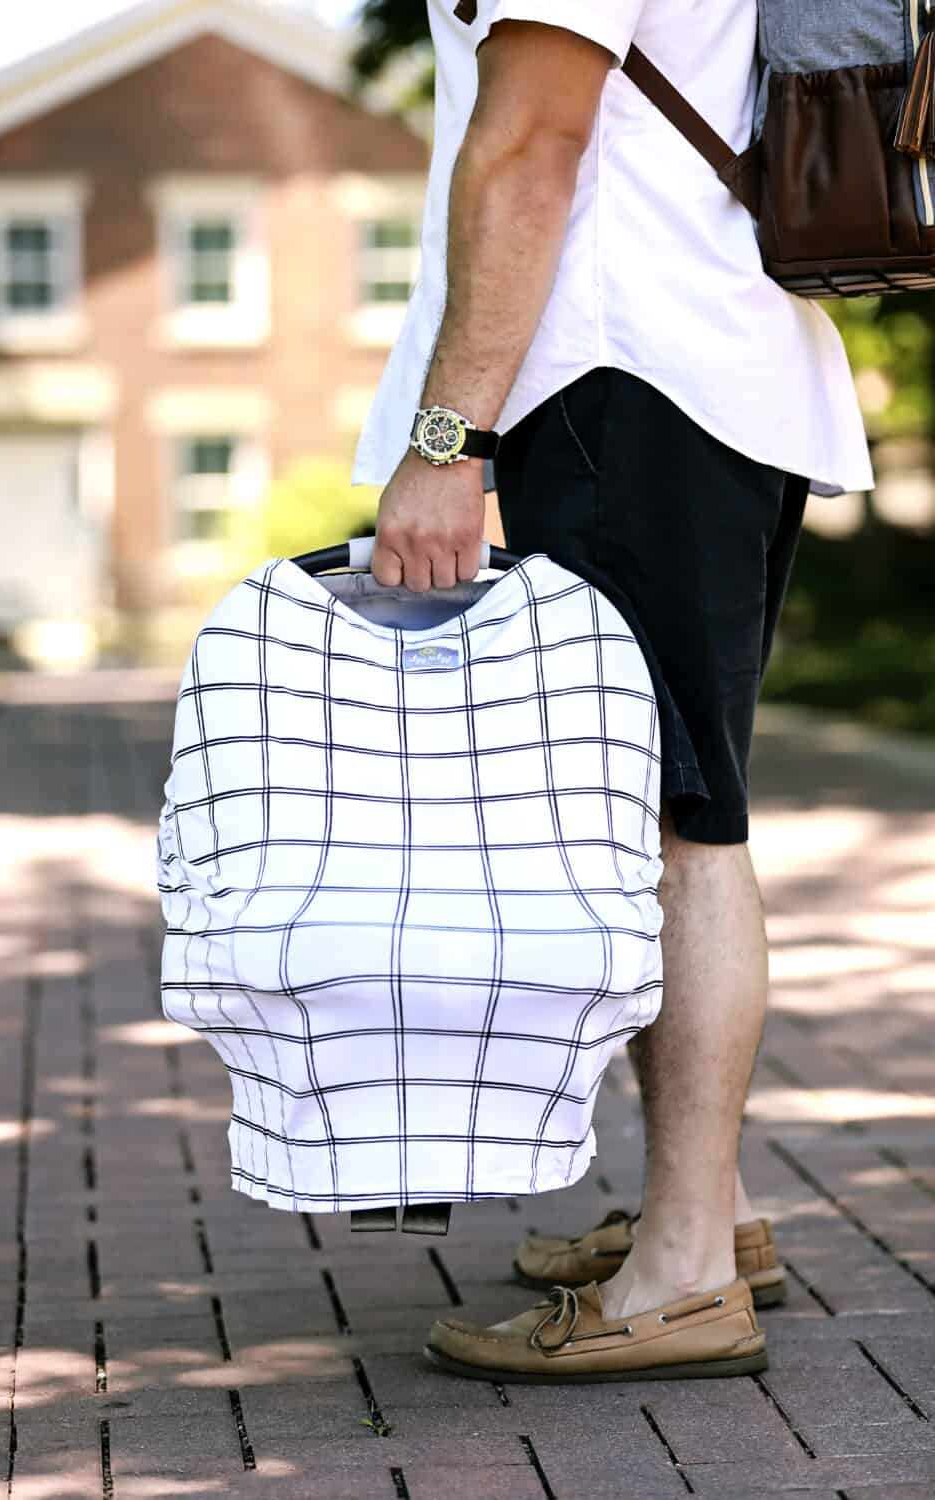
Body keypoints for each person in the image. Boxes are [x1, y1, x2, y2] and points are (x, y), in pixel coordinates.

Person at [351, 0, 872, 1382]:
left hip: (621, 374)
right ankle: (713, 1217)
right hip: (683, 371)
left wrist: (446, 441)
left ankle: (686, 1271)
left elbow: (531, 141)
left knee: (684, 829)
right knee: (660, 818)